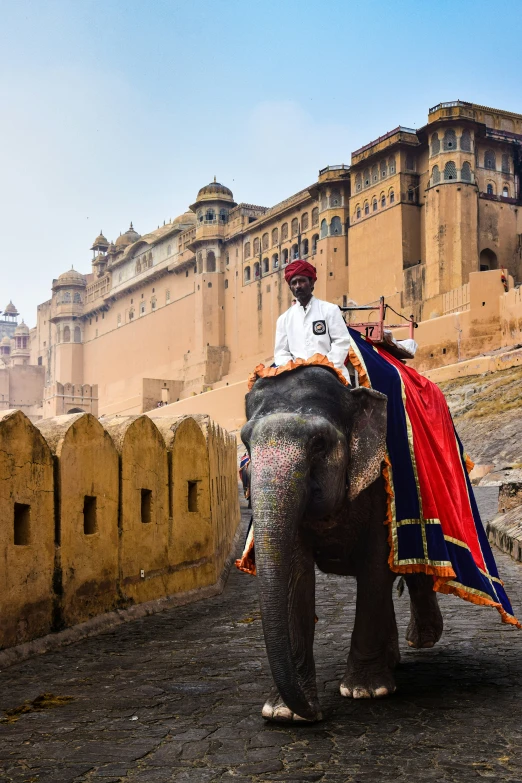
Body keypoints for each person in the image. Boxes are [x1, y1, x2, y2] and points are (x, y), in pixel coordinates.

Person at [274, 259, 351, 381]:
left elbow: (341, 342)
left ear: (311, 282)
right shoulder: (283, 319)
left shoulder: (330, 310)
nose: (298, 286)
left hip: (331, 375)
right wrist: (294, 370)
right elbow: (281, 353)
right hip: (297, 379)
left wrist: (325, 367)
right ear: (291, 288)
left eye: (302, 281)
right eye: (294, 283)